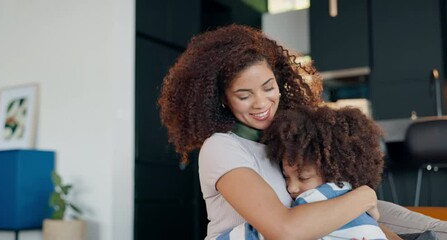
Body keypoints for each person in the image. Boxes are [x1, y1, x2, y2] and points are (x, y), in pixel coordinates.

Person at [158, 24, 447, 239]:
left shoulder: (286, 136)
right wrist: (363, 196)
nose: (262, 103)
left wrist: (368, 210)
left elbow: (333, 202)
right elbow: (284, 230)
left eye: (268, 87)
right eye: (244, 95)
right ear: (222, 98)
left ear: (279, 81)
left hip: (326, 218)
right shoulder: (221, 147)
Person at [218, 106, 389, 239]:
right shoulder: (352, 197)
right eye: (286, 177)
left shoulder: (314, 199)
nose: (291, 188)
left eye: (303, 177)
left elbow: (261, 235)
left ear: (333, 173)